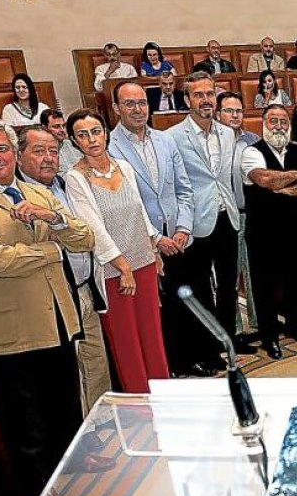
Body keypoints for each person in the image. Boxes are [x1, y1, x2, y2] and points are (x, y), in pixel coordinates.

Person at [0, 115, 105, 496]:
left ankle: (68, 463)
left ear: (15, 153)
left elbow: (84, 237)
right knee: (25, 417)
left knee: (63, 403)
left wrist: (53, 220)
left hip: (57, 317)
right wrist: (53, 250)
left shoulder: (37, 193)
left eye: (2, 148)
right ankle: (38, 489)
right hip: (11, 327)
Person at [65, 110, 168, 393]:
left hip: (143, 260)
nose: (91, 139)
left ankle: (162, 396)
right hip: (112, 270)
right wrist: (122, 267)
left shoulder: (124, 167)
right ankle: (139, 406)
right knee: (127, 343)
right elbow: (93, 227)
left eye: (96, 131)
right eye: (82, 135)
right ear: (74, 141)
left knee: (152, 334)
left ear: (105, 133)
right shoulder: (75, 178)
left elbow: (140, 211)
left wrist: (154, 247)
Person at [108, 82, 205, 377]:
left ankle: (188, 359)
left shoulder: (164, 141)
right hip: (141, 241)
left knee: (184, 300)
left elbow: (183, 187)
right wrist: (156, 237)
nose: (137, 109)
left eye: (141, 103)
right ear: (116, 108)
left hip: (177, 236)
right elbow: (127, 201)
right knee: (154, 311)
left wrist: (183, 228)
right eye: (129, 104)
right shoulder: (110, 148)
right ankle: (166, 367)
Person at [15, 125, 110, 419]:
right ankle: (80, 437)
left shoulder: (66, 184)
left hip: (83, 286)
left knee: (96, 363)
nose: (48, 158)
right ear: (19, 156)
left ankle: (100, 427)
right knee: (69, 376)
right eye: (38, 151)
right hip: (50, 298)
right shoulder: (14, 195)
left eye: (53, 151)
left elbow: (86, 235)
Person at [165, 73, 244, 360]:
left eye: (210, 94)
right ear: (187, 100)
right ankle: (205, 349)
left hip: (227, 218)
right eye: (198, 95)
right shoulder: (172, 137)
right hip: (195, 222)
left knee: (227, 287)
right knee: (199, 289)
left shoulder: (226, 132)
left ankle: (226, 343)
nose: (206, 100)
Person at [241, 105, 297, 357]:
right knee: (265, 286)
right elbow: (263, 179)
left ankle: (295, 326)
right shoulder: (251, 152)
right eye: (273, 121)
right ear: (263, 123)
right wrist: (294, 177)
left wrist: (284, 185)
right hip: (263, 233)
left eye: (283, 121)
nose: (278, 126)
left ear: (289, 125)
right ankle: (269, 337)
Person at [218, 91, 260, 335]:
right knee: (229, 276)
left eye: (238, 111)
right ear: (218, 113)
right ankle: (233, 329)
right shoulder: (213, 143)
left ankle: (258, 323)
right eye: (229, 111)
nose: (235, 115)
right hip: (224, 218)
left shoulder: (253, 140)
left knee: (254, 272)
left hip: (251, 214)